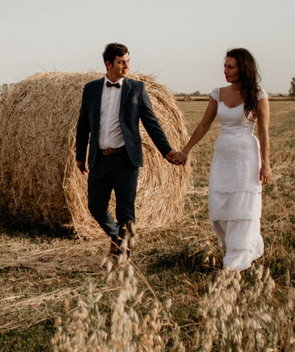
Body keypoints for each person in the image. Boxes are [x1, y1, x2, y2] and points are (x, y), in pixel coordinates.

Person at [76, 43, 186, 257]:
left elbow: (151, 122)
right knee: (95, 207)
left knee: (125, 209)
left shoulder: (137, 88)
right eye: (121, 62)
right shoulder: (91, 89)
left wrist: (166, 151)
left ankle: (122, 252)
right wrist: (81, 156)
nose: (126, 65)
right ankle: (118, 236)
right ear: (108, 64)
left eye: (128, 61)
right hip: (99, 158)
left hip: (126, 158)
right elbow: (83, 124)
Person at [179, 47, 271, 271]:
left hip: (247, 156)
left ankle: (236, 258)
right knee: (220, 203)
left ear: (243, 68)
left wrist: (266, 164)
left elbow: (263, 132)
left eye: (230, 67)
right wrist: (185, 150)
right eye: (225, 66)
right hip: (223, 155)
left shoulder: (258, 95)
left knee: (243, 204)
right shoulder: (217, 93)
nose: (226, 71)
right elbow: (204, 125)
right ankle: (236, 246)